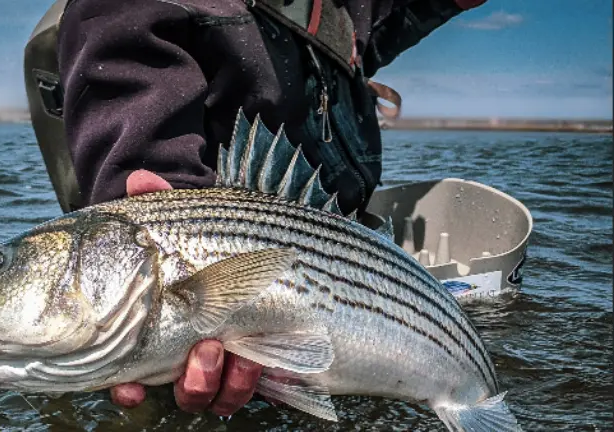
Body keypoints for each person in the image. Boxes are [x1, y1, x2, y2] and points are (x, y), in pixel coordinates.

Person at [52, 0, 487, 417]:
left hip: (355, 270)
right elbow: (152, 188)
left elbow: (378, 24)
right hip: (249, 312)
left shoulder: (343, 11)